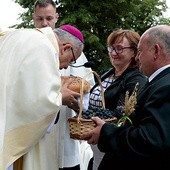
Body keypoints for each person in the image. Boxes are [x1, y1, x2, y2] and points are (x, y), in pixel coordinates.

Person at [82, 24, 170, 170]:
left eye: (140, 51)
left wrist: (105, 132)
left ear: (156, 51)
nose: (137, 57)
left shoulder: (165, 87)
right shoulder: (158, 82)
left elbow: (151, 139)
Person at [0, 24, 84, 170]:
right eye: (72, 60)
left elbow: (21, 91)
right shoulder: (44, 48)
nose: (65, 67)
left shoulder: (18, 36)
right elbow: (35, 104)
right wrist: (60, 98)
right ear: (66, 47)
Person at [32, 1, 95, 170]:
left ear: (56, 18)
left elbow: (86, 95)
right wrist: (58, 97)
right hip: (37, 140)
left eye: (49, 18)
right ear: (33, 19)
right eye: (39, 19)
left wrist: (76, 103)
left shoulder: (77, 54)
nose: (44, 23)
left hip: (66, 139)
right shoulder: (31, 50)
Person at [87, 29, 147, 170]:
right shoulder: (109, 73)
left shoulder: (135, 78)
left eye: (119, 48)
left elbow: (124, 115)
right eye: (111, 48)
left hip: (110, 142)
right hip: (95, 142)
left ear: (134, 52)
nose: (113, 53)